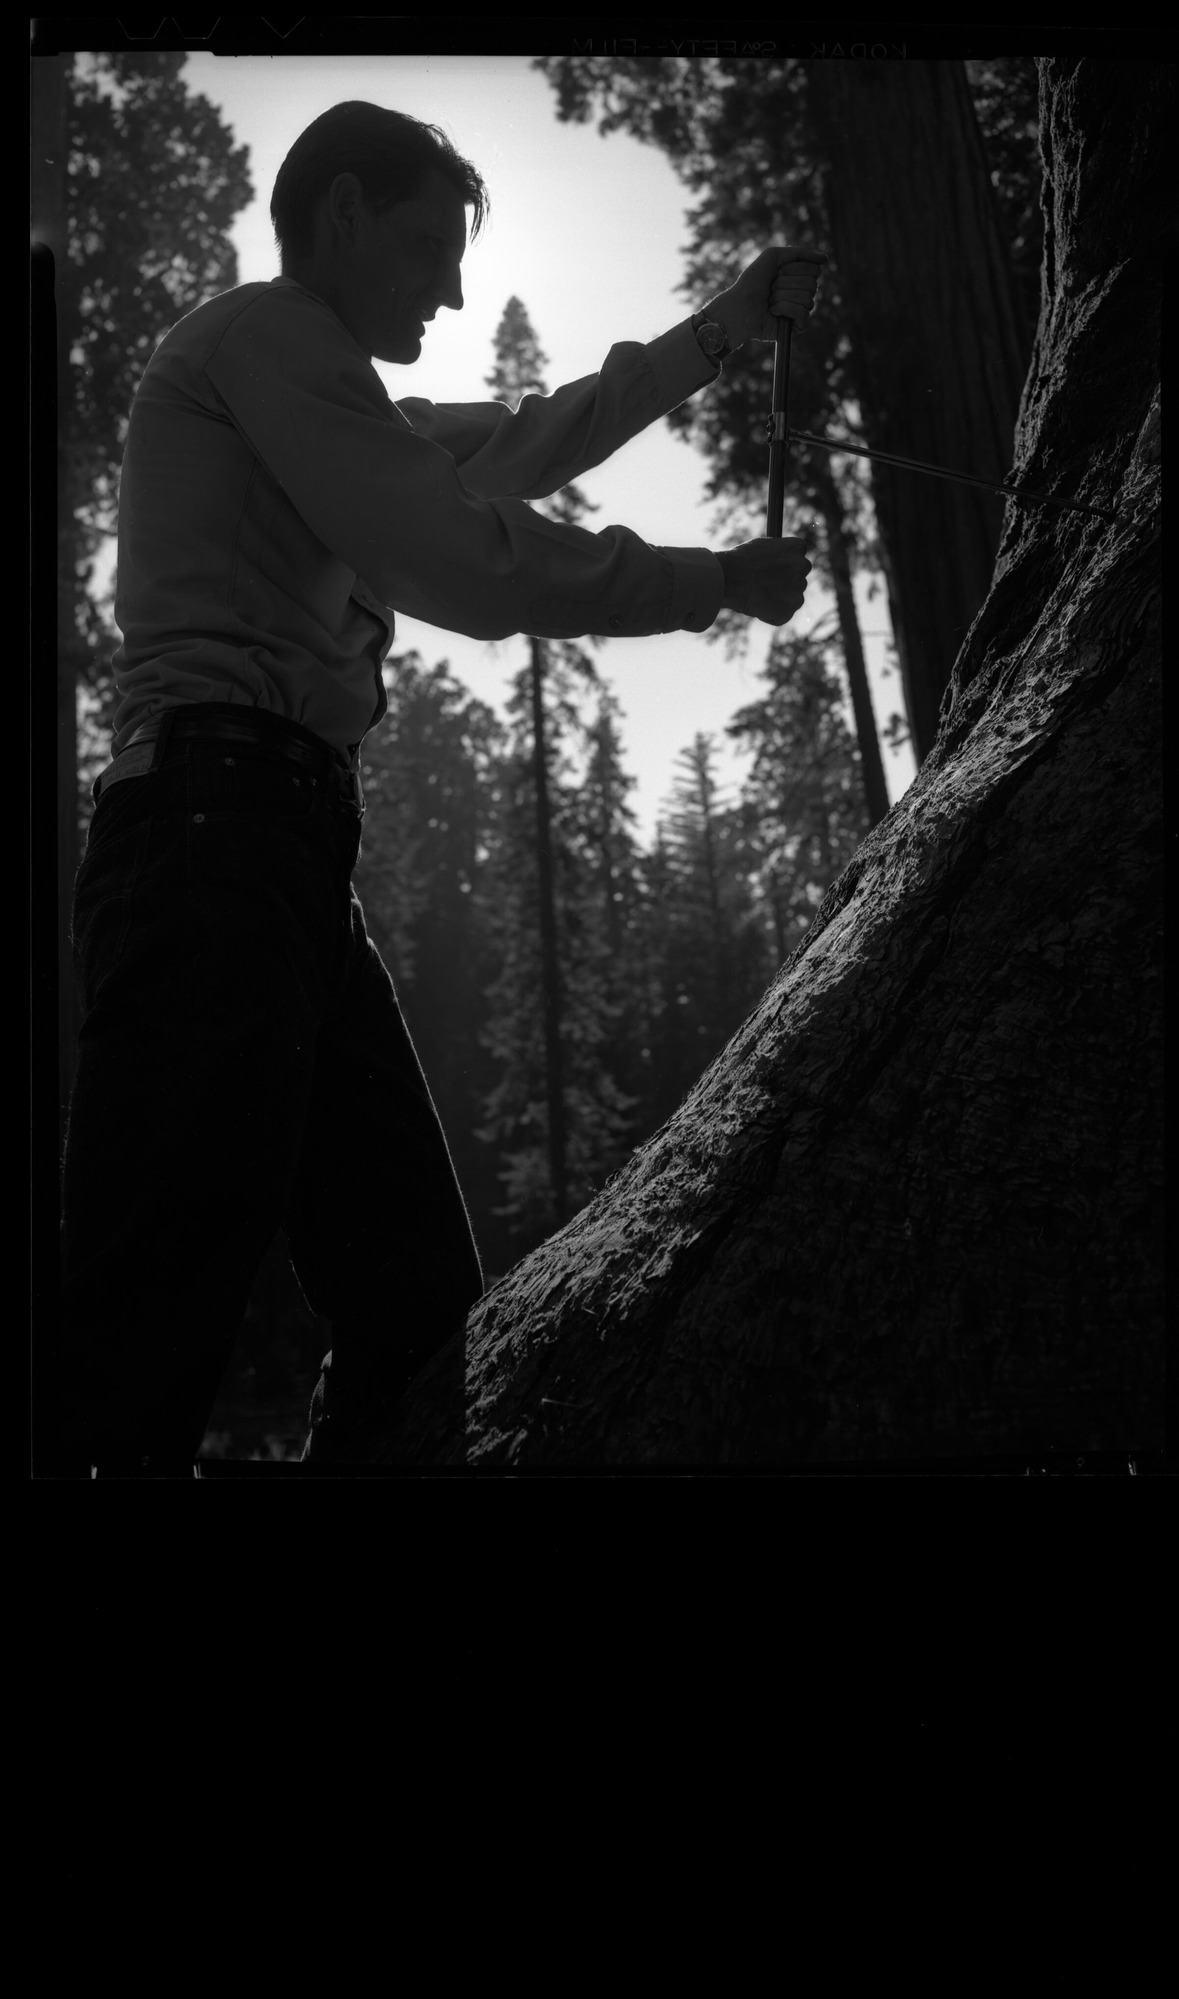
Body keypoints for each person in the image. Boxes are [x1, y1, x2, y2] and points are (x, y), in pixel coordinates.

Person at [46, 100, 822, 1478]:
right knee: (143, 1327)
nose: (454, 288)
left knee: (408, 1308)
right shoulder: (265, 339)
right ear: (339, 213)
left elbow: (533, 434)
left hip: (272, 854)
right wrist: (708, 582)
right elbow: (462, 559)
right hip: (208, 844)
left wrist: (721, 328)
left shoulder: (326, 402)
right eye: (427, 247)